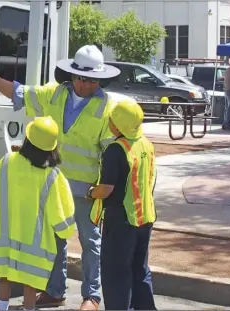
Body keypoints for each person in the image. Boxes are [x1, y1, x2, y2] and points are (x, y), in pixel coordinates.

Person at [0, 45, 121, 310]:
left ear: (100, 79)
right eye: (81, 78)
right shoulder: (53, 94)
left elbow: (112, 152)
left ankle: (92, 296)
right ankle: (55, 291)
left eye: (92, 79)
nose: (86, 84)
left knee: (91, 242)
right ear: (72, 75)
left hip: (86, 189)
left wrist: (104, 188)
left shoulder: (107, 107)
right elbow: (19, 93)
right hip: (52, 184)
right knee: (54, 242)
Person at [0, 116, 76, 311]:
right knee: (30, 283)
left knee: (5, 276)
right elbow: (62, 214)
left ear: (27, 139)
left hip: (4, 237)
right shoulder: (52, 176)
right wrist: (65, 231)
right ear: (52, 147)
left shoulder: (7, 161)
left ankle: (2, 308)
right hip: (35, 244)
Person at [87, 98, 157, 310]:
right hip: (145, 218)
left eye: (111, 119)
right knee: (140, 270)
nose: (109, 122)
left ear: (118, 125)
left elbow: (106, 189)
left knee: (116, 273)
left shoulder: (115, 150)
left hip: (121, 221)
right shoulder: (146, 144)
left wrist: (91, 192)